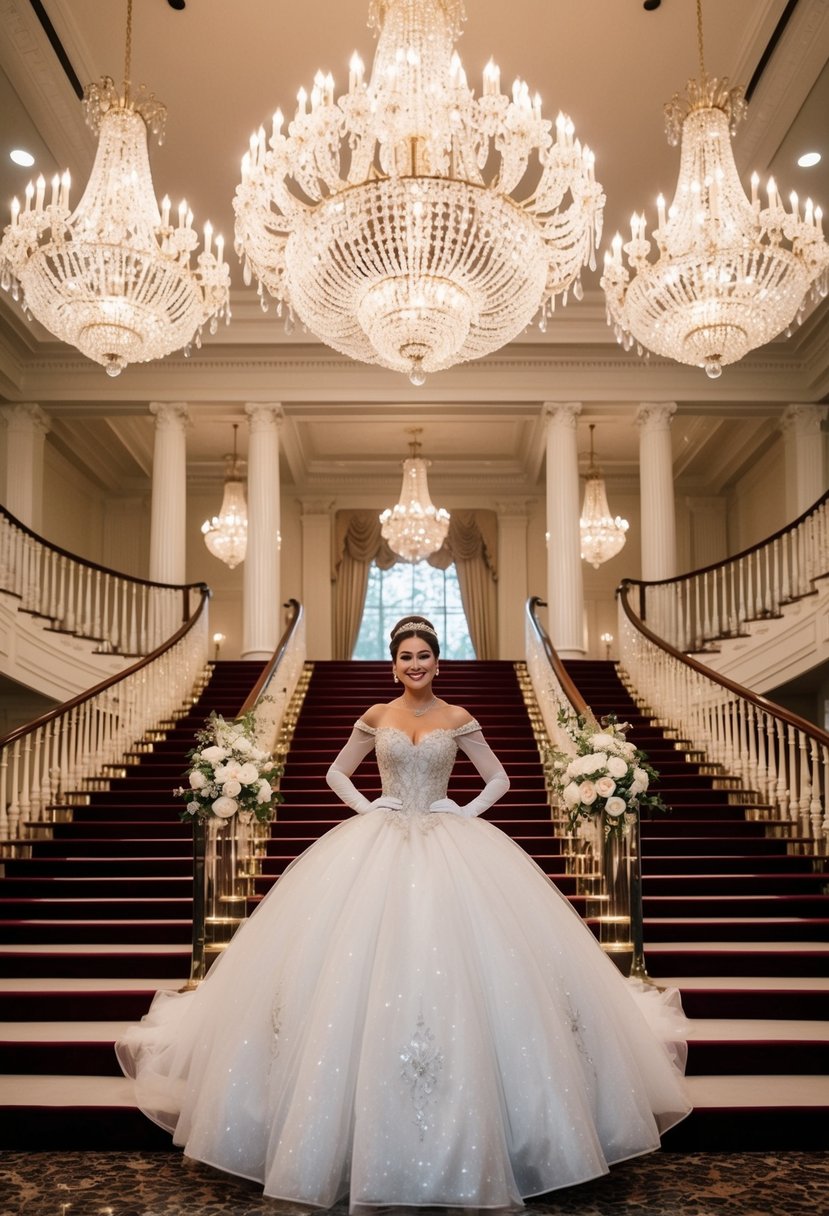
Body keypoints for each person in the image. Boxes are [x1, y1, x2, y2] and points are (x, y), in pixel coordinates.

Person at [116, 615, 690, 1211]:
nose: (414, 664)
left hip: (447, 838)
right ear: (394, 664)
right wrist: (368, 805)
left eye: (423, 655)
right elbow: (337, 770)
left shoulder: (457, 717)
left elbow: (500, 777)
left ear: (438, 662)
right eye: (405, 657)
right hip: (381, 836)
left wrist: (462, 813)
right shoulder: (377, 715)